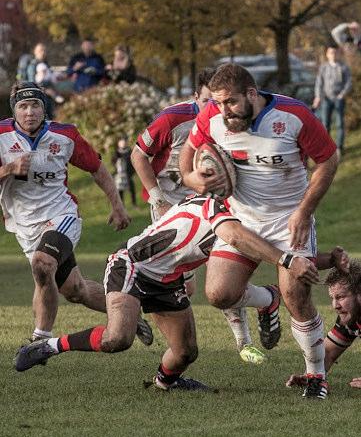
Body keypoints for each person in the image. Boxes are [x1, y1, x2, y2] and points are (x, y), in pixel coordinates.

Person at [14, 193, 319, 393]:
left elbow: (256, 252)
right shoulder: (216, 209)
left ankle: (165, 383)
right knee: (117, 338)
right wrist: (287, 261)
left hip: (168, 281)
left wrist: (326, 259)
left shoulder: (239, 216)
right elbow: (234, 236)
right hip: (131, 266)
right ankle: (50, 346)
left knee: (186, 352)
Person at [179, 63, 339, 399]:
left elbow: (328, 159)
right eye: (219, 103)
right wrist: (193, 179)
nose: (224, 110)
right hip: (242, 219)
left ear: (252, 93)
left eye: (232, 102)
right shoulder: (211, 117)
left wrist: (304, 211)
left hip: (289, 220)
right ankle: (269, 299)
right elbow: (187, 157)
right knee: (219, 294)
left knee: (297, 297)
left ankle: (316, 376)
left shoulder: (293, 115)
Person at [131, 68, 269, 365]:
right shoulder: (173, 118)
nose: (215, 109)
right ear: (196, 97)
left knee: (226, 270)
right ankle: (134, 318)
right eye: (208, 101)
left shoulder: (232, 121)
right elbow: (137, 155)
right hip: (173, 210)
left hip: (212, 204)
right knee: (182, 282)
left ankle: (244, 341)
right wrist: (158, 199)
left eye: (219, 103)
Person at [0, 82, 152, 349]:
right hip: (24, 224)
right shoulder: (1, 135)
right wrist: (9, 168)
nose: (29, 112)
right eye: (23, 107)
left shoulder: (65, 135)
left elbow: (97, 167)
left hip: (61, 214)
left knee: (42, 263)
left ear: (44, 107)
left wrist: (117, 206)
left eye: (35, 105)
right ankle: (129, 311)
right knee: (75, 290)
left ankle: (40, 340)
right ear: (15, 112)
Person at [286, 257, 361, 390]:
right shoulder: (350, 318)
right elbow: (328, 352)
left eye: (341, 297)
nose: (335, 306)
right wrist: (313, 375)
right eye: (332, 298)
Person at [312, 45, 352, 158]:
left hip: (339, 98)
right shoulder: (324, 67)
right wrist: (318, 97)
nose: (333, 55)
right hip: (326, 99)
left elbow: (348, 82)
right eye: (331, 53)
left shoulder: (343, 67)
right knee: (325, 124)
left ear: (338, 53)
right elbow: (319, 83)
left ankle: (339, 147)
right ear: (327, 54)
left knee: (340, 123)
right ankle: (326, 148)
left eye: (335, 52)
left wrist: (342, 94)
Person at [27, 43, 65, 119]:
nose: (43, 52)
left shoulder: (46, 64)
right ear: (35, 52)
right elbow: (32, 84)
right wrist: (47, 91)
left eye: (44, 50)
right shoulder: (33, 65)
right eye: (40, 50)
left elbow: (51, 79)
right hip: (39, 100)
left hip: (49, 99)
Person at [111, 137, 137, 208]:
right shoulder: (116, 152)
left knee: (132, 189)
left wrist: (132, 172)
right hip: (119, 175)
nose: (123, 143)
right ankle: (122, 205)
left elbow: (133, 162)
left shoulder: (129, 151)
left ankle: (134, 204)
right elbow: (113, 161)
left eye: (124, 141)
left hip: (128, 173)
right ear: (118, 143)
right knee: (120, 190)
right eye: (121, 142)